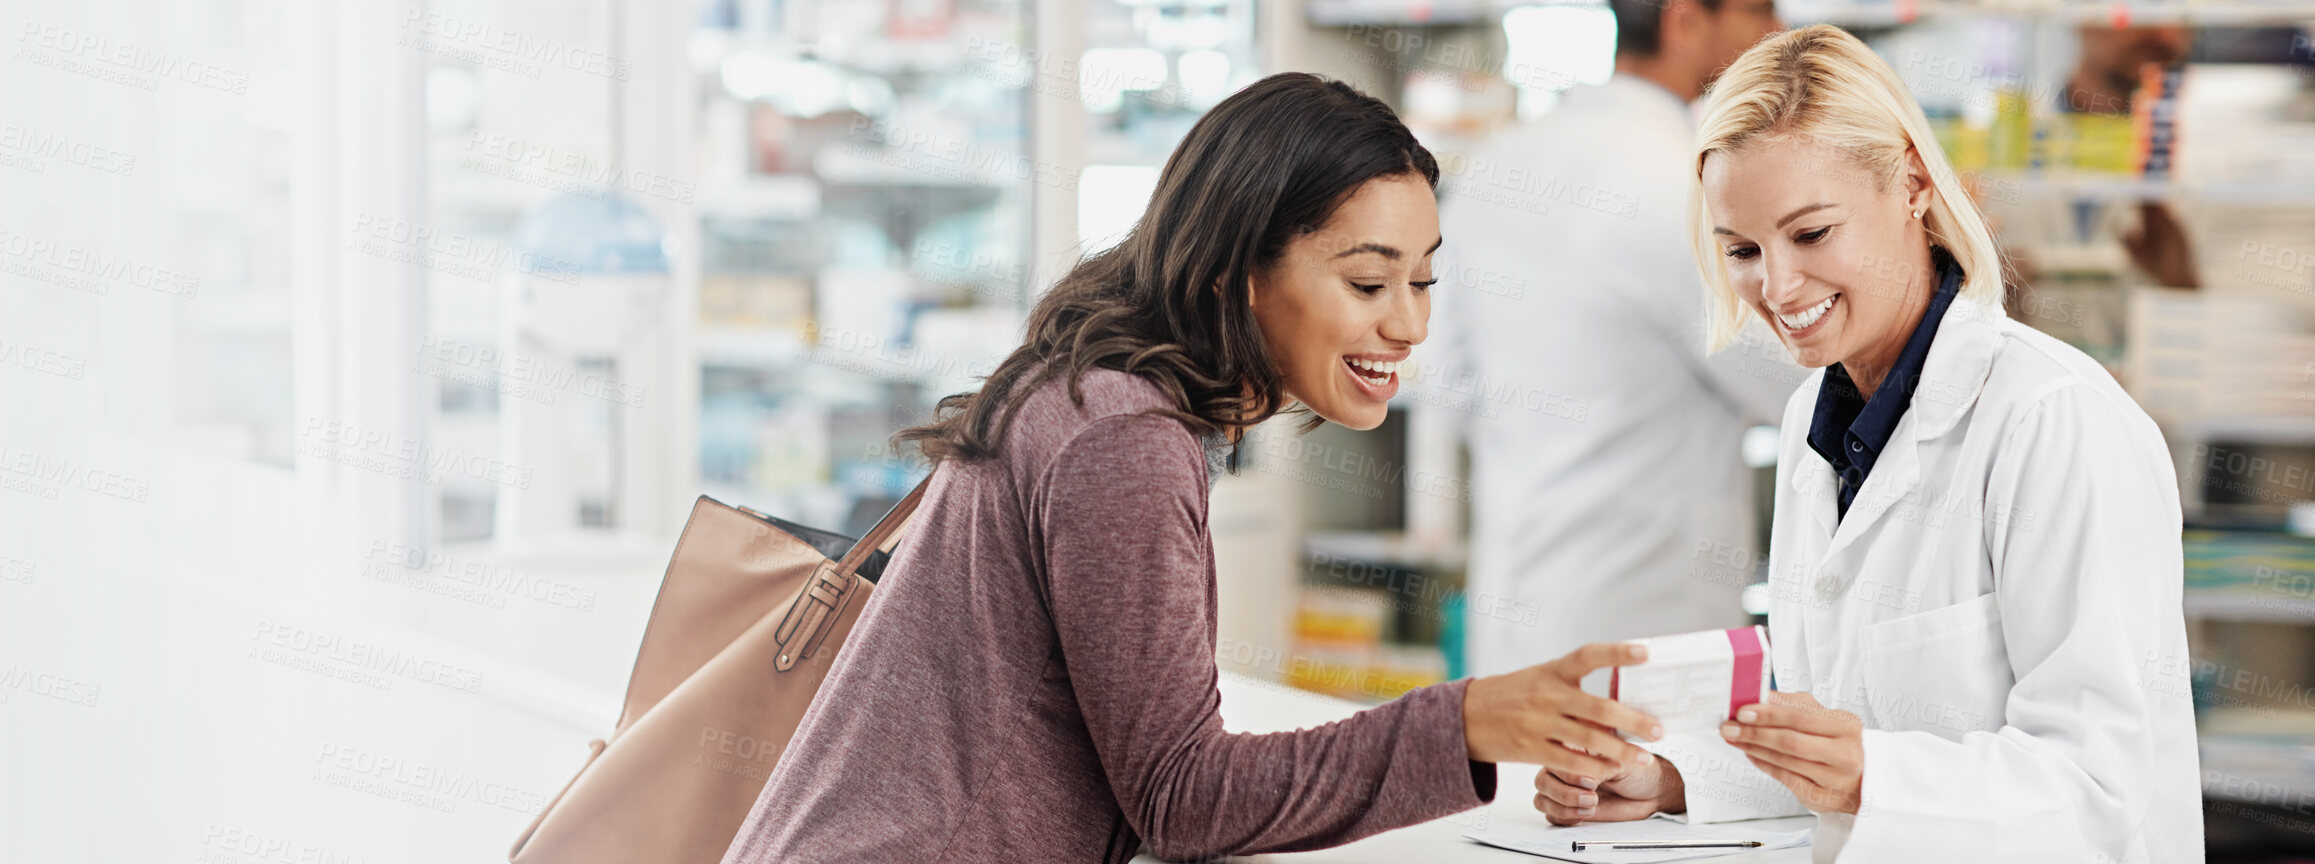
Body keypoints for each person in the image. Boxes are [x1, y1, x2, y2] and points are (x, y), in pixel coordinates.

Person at [721, 73, 1666, 864]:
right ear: (1238, 273)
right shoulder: (1122, 437)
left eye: (1423, 281)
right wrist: (1461, 722)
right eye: (1368, 283)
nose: (1408, 323)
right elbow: (1183, 800)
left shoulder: (1092, 388)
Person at [1529, 26, 2202, 863]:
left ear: (1914, 184)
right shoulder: (1815, 415)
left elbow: (2101, 787)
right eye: (1741, 250)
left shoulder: (2054, 422)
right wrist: (1675, 777)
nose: (1775, 288)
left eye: (1810, 235)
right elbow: (1830, 735)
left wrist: (1870, 775)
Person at [1433, 0, 1796, 675]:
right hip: (1645, 621)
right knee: (1641, 781)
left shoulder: (1498, 163)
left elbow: (1445, 379)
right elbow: (1797, 381)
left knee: (1517, 783)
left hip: (1511, 604)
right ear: (1684, 20)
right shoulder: (1686, 185)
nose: (1776, 33)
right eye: (1757, 12)